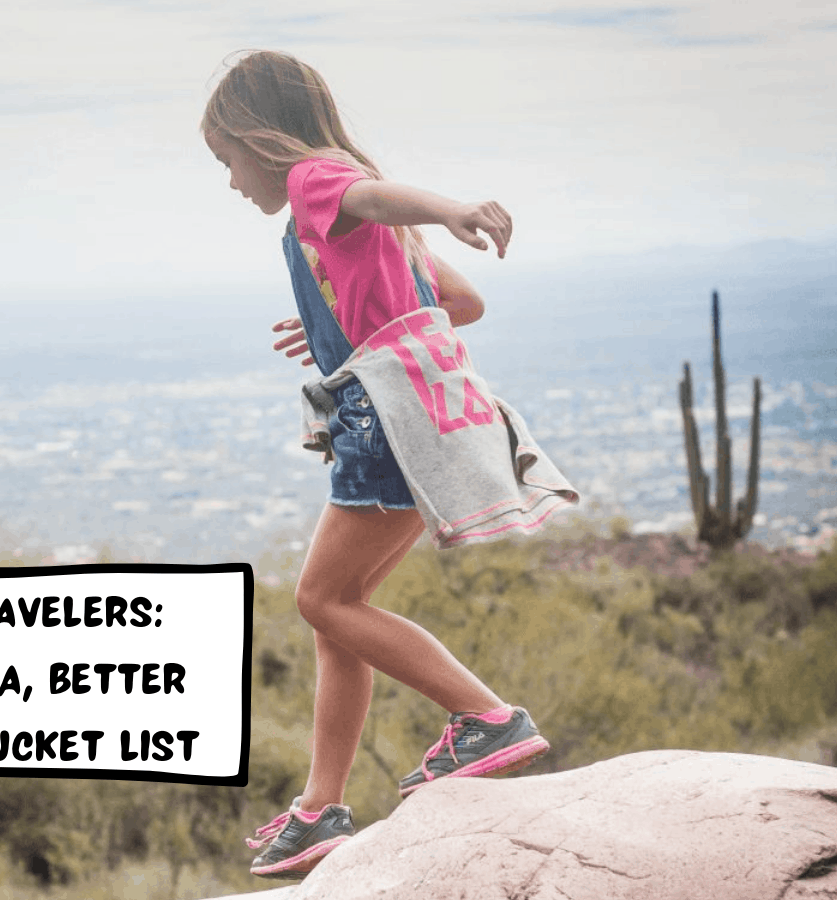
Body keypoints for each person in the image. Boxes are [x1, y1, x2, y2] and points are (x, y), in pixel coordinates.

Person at [201, 50, 578, 880]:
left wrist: (452, 208)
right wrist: (345, 312)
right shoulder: (375, 230)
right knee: (342, 611)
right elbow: (465, 302)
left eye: (226, 159)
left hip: (386, 420)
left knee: (321, 598)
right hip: (433, 419)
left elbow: (364, 194)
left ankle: (486, 718)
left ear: (261, 142)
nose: (230, 181)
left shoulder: (314, 181)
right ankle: (318, 810)